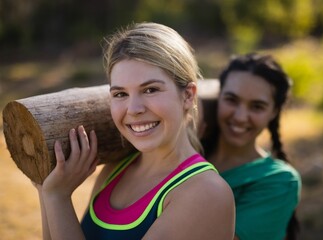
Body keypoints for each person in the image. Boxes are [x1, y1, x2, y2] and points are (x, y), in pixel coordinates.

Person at [33, 22, 235, 240]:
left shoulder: (206, 193)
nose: (134, 109)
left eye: (150, 90)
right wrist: (47, 192)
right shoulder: (115, 170)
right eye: (120, 94)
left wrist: (58, 197)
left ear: (188, 96)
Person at [200, 53, 301, 240]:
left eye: (257, 106)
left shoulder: (279, 181)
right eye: (231, 99)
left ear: (274, 112)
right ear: (219, 96)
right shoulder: (191, 153)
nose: (240, 116)